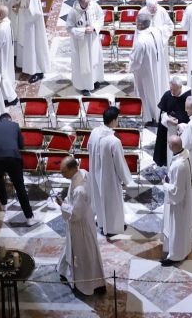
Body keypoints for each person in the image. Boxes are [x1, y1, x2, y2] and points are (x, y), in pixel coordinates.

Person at [57, 157, 107, 294]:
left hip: (81, 227)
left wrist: (62, 204)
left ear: (73, 169)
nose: (62, 175)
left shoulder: (80, 190)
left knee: (83, 254)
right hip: (85, 219)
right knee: (71, 249)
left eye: (64, 172)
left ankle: (88, 284)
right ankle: (66, 272)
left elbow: (75, 215)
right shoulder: (83, 172)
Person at [87, 107, 131, 237]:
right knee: (112, 202)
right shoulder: (114, 141)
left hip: (96, 172)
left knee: (100, 200)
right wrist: (126, 179)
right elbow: (120, 163)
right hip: (109, 177)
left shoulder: (94, 132)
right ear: (113, 120)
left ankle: (101, 223)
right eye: (118, 119)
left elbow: (89, 148)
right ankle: (111, 228)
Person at [0, 110, 34, 218]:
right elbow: (21, 145)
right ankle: (29, 217)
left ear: (0, 120)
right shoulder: (15, 125)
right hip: (13, 157)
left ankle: (4, 203)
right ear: (9, 119)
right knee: (20, 187)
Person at [160, 134, 192, 265]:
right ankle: (184, 249)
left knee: (178, 228)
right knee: (183, 227)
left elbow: (176, 192)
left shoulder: (179, 165)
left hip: (180, 204)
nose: (168, 145)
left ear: (172, 147)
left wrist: (165, 183)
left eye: (169, 144)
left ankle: (176, 255)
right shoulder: (186, 154)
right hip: (187, 199)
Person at [130, 14, 168, 122]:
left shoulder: (141, 40)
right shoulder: (156, 31)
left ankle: (150, 116)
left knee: (147, 93)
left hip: (145, 73)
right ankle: (159, 112)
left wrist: (131, 67)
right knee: (157, 89)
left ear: (140, 25)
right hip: (157, 66)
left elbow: (136, 61)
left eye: (136, 22)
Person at [11, 0, 49, 81]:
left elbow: (34, 13)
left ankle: (36, 71)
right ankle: (32, 69)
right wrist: (20, 6)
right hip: (28, 24)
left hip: (31, 26)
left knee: (33, 47)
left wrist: (20, 10)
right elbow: (27, 5)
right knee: (29, 48)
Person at [64, 0, 106, 89]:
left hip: (93, 40)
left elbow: (101, 17)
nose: (88, 4)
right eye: (85, 3)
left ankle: (94, 80)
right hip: (80, 43)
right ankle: (83, 86)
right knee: (82, 65)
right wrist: (83, 31)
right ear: (80, 2)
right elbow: (69, 28)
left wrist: (94, 28)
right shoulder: (73, 12)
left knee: (94, 60)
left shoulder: (93, 5)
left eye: (88, 1)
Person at [153, 76, 192, 168]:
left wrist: (180, 124)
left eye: (174, 90)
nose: (172, 92)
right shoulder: (168, 95)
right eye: (171, 89)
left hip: (182, 128)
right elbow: (162, 112)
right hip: (168, 128)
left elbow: (191, 113)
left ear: (180, 87)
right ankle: (165, 161)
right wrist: (167, 119)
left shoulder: (188, 96)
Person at [0, 5, 19, 95]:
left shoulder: (1, 28)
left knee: (1, 72)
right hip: (5, 52)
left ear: (0, 14)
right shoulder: (7, 24)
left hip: (0, 55)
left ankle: (6, 96)